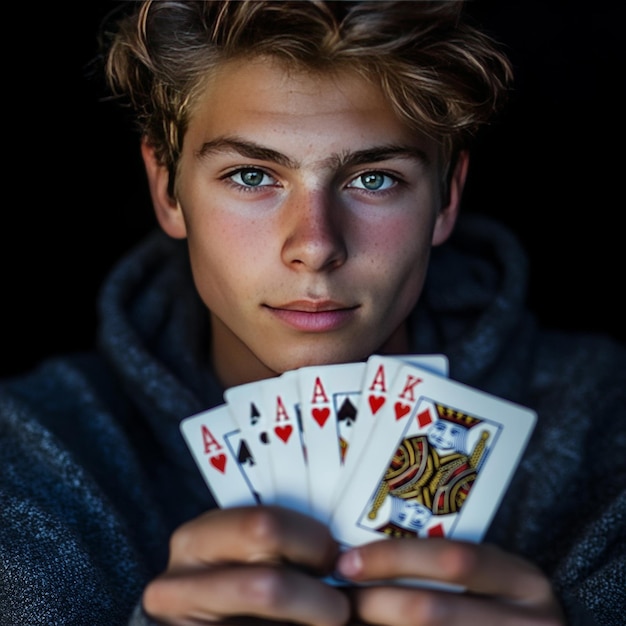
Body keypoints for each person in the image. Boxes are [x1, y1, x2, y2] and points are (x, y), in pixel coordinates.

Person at [1, 1, 624, 625]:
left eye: (374, 179)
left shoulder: (606, 421)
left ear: (446, 198)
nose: (316, 246)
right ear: (167, 189)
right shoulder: (33, 456)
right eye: (251, 175)